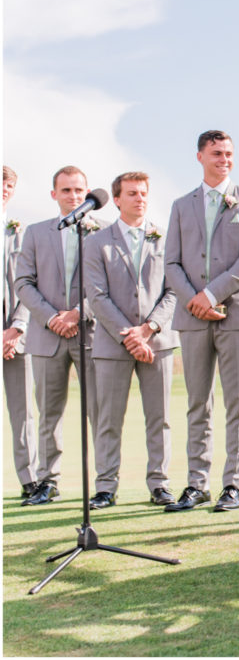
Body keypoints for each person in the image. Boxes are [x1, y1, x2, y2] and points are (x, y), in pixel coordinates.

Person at [164, 130, 239, 513]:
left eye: (229, 153)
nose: (224, 159)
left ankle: (233, 486)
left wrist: (211, 295)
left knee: (238, 404)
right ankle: (196, 484)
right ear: (200, 156)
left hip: (236, 314)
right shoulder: (179, 206)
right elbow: (170, 261)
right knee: (196, 403)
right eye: (217, 153)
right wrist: (194, 300)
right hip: (192, 318)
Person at [84, 172, 179, 509]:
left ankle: (160, 484)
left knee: (160, 417)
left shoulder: (166, 239)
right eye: (132, 193)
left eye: (143, 193)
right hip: (112, 344)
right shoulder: (96, 242)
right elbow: (96, 296)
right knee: (108, 418)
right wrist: (130, 336)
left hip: (158, 342)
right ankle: (106, 487)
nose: (139, 198)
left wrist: (149, 329)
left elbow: (173, 291)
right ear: (118, 199)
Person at [15, 166, 107, 506]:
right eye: (66, 190)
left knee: (99, 412)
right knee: (48, 413)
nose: (73, 196)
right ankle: (47, 481)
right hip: (46, 335)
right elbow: (23, 282)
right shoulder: (36, 233)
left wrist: (80, 311)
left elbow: (106, 285)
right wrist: (52, 317)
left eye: (79, 190)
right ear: (54, 194)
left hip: (92, 334)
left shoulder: (104, 232)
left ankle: (103, 485)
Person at [3, 165, 38, 499]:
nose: (3, 188)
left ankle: (30, 481)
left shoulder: (21, 232)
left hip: (15, 336)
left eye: (8, 184)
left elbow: (28, 283)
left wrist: (16, 326)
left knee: (23, 411)